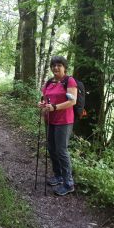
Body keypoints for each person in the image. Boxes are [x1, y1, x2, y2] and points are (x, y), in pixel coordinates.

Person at [38, 55, 77, 196]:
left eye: (59, 65)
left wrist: (54, 107)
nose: (56, 68)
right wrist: (42, 104)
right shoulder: (49, 82)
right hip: (50, 120)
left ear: (64, 67)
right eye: (53, 65)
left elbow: (72, 102)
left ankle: (68, 183)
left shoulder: (69, 81)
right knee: (52, 148)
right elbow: (44, 98)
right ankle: (58, 175)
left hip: (64, 121)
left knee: (61, 150)